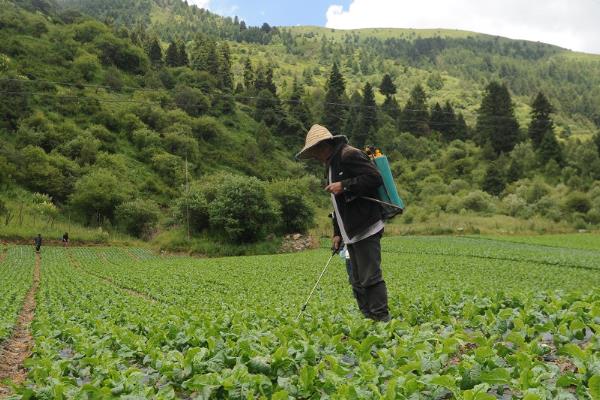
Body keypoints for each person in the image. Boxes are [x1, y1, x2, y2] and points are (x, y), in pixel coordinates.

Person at [296, 124, 390, 322]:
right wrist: (337, 232)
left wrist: (345, 185)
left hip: (366, 225)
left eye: (314, 152)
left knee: (370, 277)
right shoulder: (330, 165)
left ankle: (382, 321)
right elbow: (337, 204)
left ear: (323, 146)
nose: (314, 157)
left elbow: (375, 178)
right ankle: (368, 319)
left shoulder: (348, 155)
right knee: (356, 280)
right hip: (349, 231)